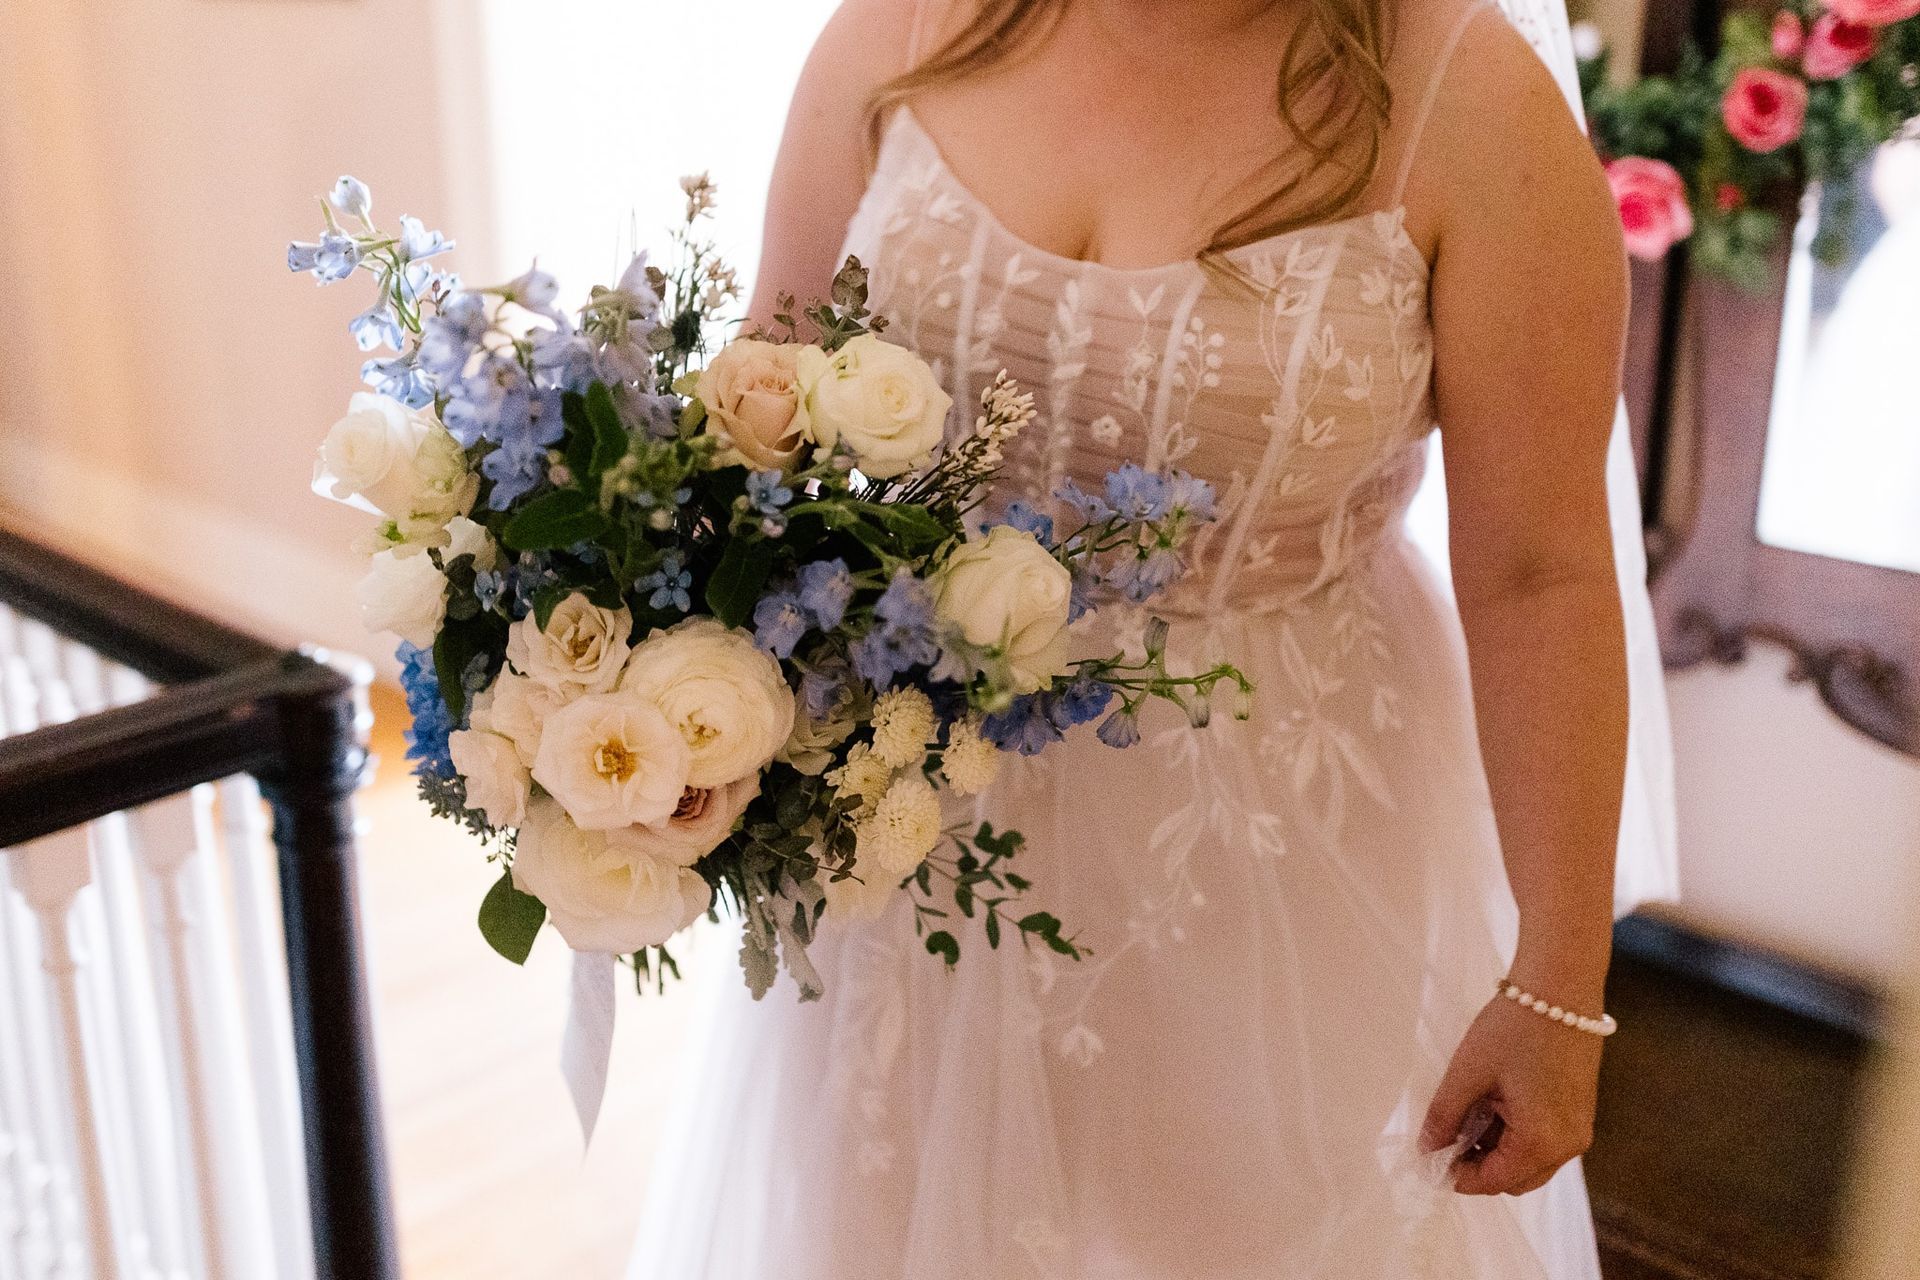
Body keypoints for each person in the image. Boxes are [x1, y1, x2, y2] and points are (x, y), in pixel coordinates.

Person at [631, 0, 1666, 1274]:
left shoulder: (1470, 103)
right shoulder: (901, 31)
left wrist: (1561, 982)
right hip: (903, 828)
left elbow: (1538, 573)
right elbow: (767, 408)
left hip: (1265, 862)